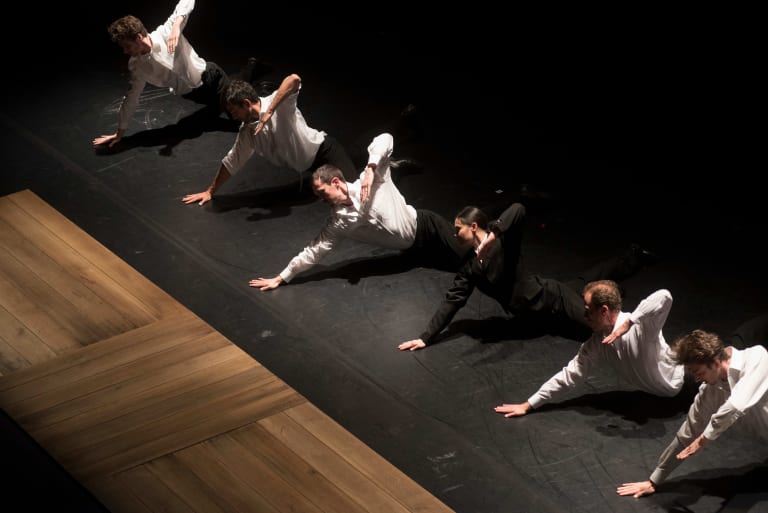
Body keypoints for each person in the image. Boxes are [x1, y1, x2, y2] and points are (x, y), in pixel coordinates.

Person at [398, 203, 657, 351]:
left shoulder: (502, 244)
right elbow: (452, 301)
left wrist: (494, 235)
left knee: (601, 329)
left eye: (458, 230)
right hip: (534, 312)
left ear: (473, 226)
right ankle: (629, 257)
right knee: (586, 280)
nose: (454, 235)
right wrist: (425, 336)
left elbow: (519, 210)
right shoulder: (469, 267)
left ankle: (642, 338)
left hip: (551, 299)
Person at [248, 132, 469, 290]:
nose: (319, 198)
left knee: (470, 259)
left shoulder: (369, 180)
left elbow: (386, 138)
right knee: (458, 268)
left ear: (336, 182)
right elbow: (314, 251)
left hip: (426, 226)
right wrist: (282, 277)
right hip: (413, 251)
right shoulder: (338, 223)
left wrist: (372, 167)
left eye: (322, 192)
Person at [93, 0, 271, 149]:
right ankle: (252, 66)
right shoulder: (136, 66)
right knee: (230, 90)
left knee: (236, 119)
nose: (125, 51)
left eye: (127, 46)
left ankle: (261, 91)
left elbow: (187, 1)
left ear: (139, 38)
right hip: (194, 94)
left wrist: (177, 26)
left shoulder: (166, 31)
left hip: (210, 76)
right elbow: (131, 97)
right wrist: (120, 132)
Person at [616, 325, 768, 499]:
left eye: (699, 372)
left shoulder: (757, 358)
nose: (696, 378)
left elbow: (735, 405)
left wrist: (705, 438)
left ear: (716, 362)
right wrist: (654, 480)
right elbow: (686, 436)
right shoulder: (710, 391)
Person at [493, 282, 686, 418]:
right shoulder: (596, 344)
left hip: (685, 382)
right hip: (656, 400)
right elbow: (569, 376)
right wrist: (528, 404)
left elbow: (665, 296)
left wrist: (630, 322)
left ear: (603, 310)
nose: (584, 315)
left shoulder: (642, 327)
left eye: (588, 310)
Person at [182, 77, 358, 206]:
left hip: (325, 152)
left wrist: (269, 112)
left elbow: (294, 79)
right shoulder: (247, 132)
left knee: (355, 196)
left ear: (246, 103)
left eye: (234, 111)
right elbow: (231, 162)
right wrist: (210, 191)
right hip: (310, 169)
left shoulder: (278, 105)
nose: (233, 117)